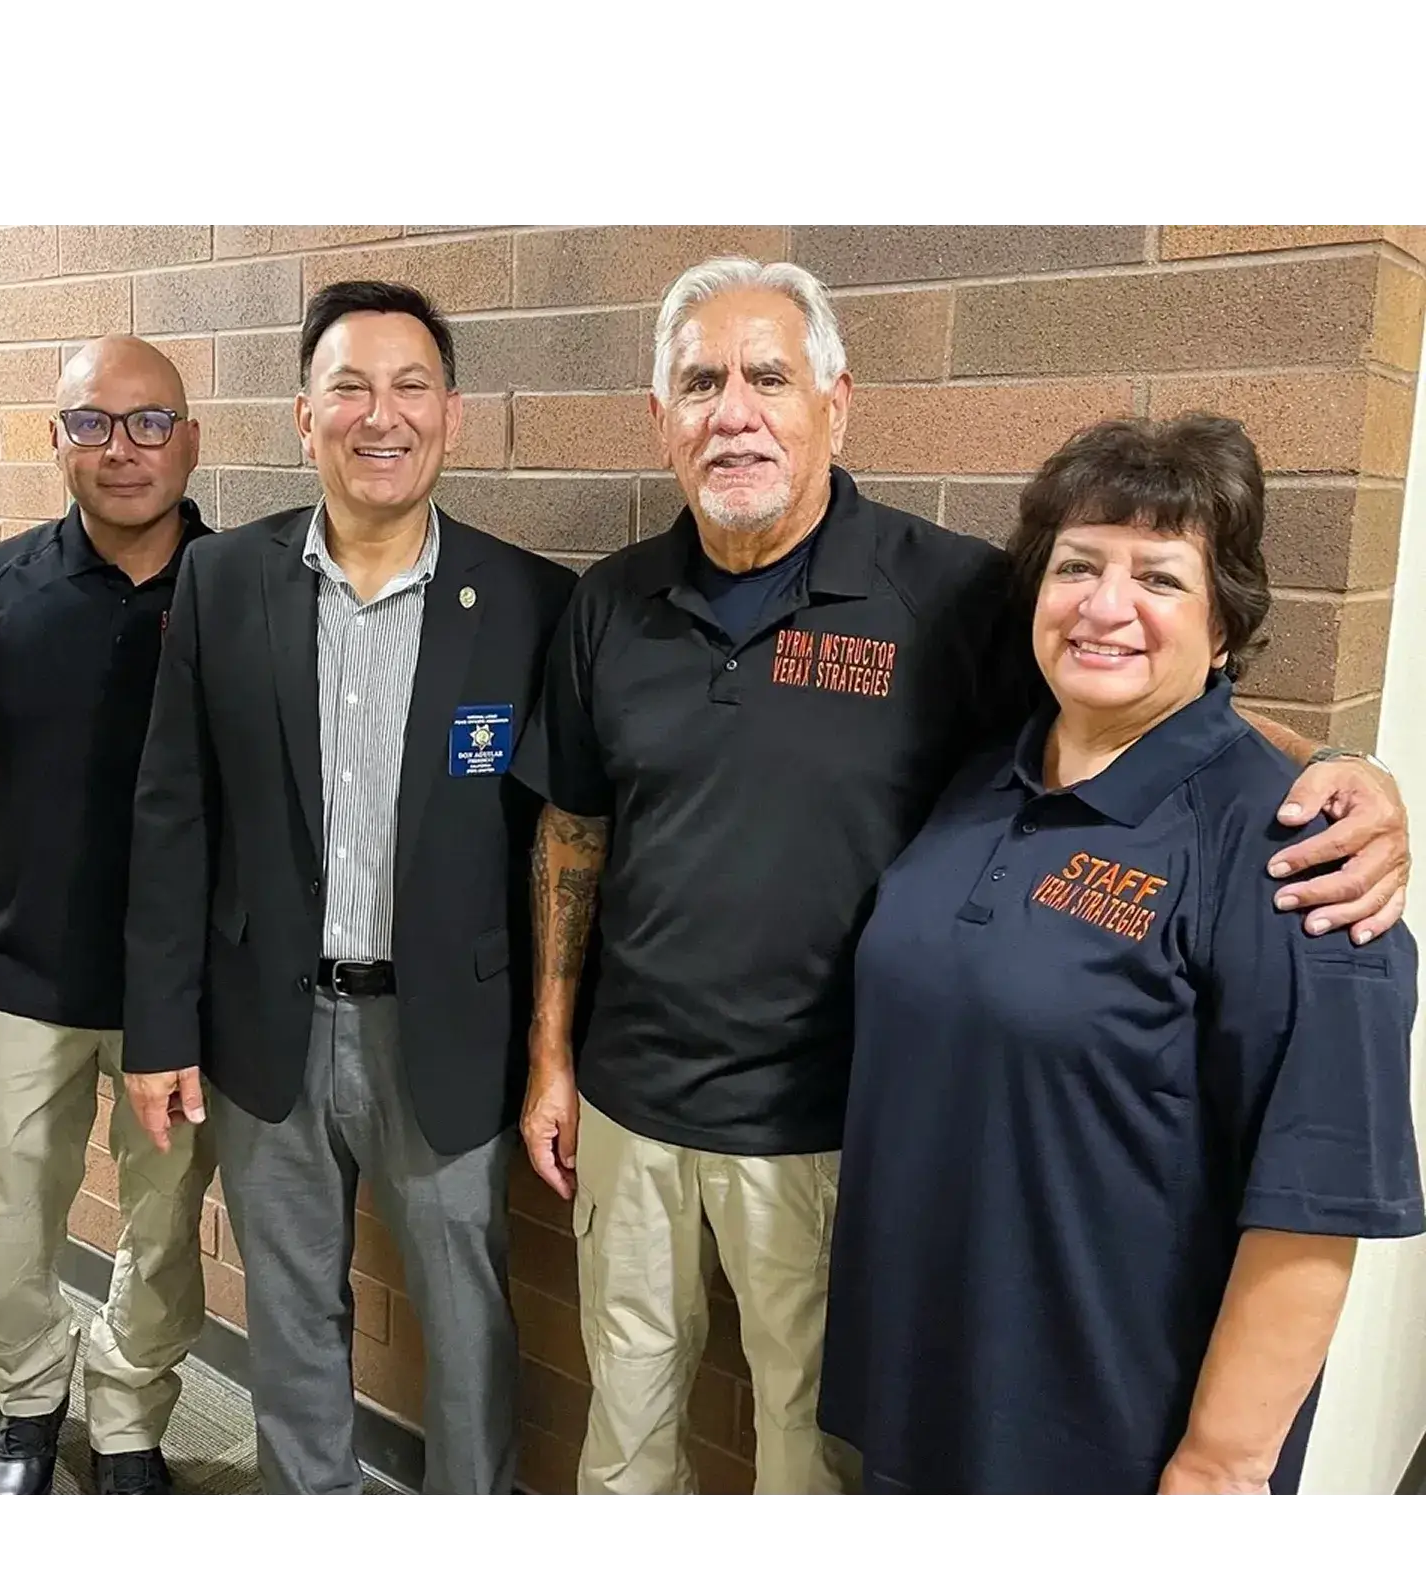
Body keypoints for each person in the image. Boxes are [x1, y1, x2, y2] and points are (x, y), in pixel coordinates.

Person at [513, 257, 1412, 1496]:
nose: (735, 411)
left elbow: (1137, 690)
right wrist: (554, 1052)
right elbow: (575, 828)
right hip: (627, 1108)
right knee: (625, 1437)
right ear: (658, 417)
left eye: (769, 377)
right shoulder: (610, 604)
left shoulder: (945, 596)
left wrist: (1353, 769)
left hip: (825, 1132)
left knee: (808, 1458)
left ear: (837, 402)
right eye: (701, 381)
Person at [818, 415, 1424, 1495]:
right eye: (1078, 566)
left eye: (1161, 578)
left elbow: (1314, 1206)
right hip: (931, 1401)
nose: (1105, 605)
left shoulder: (1298, 860)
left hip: (1109, 1443)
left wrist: (1222, 1466)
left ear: (1227, 624)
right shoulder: (984, 782)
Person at [122, 281, 575, 1496]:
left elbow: (561, 841)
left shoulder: (530, 601)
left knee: (467, 1313)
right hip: (267, 1021)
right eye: (352, 388)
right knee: (290, 1311)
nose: (385, 415)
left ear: (455, 415)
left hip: (449, 1026)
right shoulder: (222, 585)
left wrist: (555, 1044)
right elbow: (174, 816)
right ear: (303, 414)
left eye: (412, 386)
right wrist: (161, 1029)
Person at [0, 337, 213, 1498]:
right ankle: (29, 1397)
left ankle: (133, 1413)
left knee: (164, 1225)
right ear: (54, 441)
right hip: (25, 962)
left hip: (186, 985)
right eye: (91, 423)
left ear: (191, 440)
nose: (122, 449)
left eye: (151, 422)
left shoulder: (249, 586)